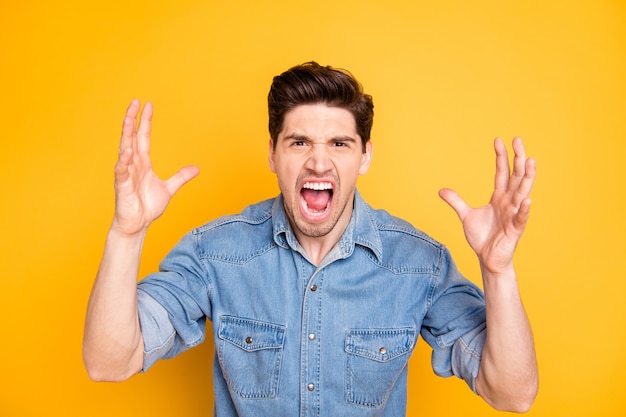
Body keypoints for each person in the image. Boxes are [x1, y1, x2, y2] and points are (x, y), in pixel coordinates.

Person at [83, 62, 538, 416]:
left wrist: (498, 270)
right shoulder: (214, 253)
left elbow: (512, 394)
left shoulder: (418, 264)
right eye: (299, 142)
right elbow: (109, 362)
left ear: (364, 156)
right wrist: (128, 232)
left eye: (339, 144)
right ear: (272, 153)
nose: (319, 163)